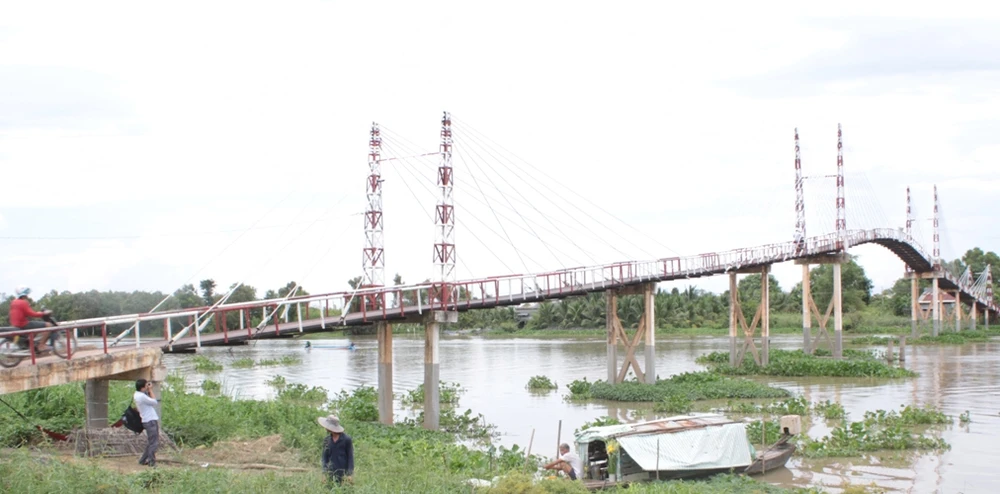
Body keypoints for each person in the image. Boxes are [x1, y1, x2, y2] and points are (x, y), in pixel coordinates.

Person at [9, 286, 54, 352]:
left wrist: (36, 314)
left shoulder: (13, 302)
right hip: (23, 324)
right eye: (27, 294)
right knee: (48, 325)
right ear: (24, 294)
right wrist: (42, 313)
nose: (27, 296)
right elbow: (32, 314)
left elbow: (22, 313)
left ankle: (30, 344)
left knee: (35, 327)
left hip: (15, 324)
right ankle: (41, 345)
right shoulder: (23, 302)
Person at [318, 414, 354, 485]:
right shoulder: (327, 440)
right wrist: (324, 473)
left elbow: (350, 457)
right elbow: (324, 458)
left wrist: (349, 474)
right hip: (330, 473)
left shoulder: (346, 439)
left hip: (343, 474)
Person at [133, 379, 161, 467]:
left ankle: (143, 460)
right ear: (142, 388)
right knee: (154, 443)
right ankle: (151, 462)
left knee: (150, 442)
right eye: (146, 385)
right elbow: (154, 402)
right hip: (150, 420)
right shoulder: (142, 396)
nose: (147, 386)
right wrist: (150, 390)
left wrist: (147, 390)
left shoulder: (137, 394)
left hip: (146, 420)